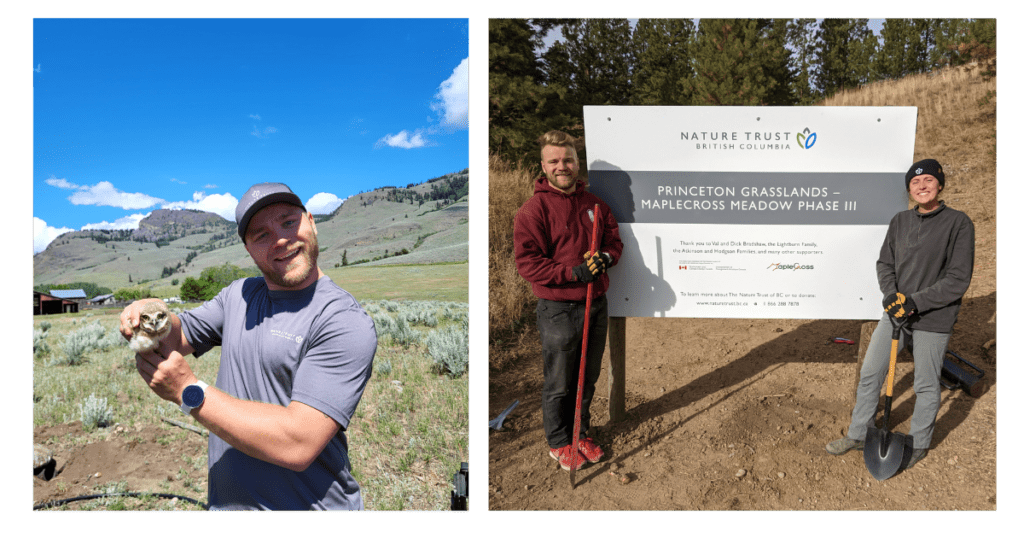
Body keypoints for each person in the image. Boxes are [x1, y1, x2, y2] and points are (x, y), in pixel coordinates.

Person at [120, 183, 377, 511]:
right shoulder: (238, 296)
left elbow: (299, 442)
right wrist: (147, 313)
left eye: (288, 222)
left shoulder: (342, 320)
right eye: (261, 235)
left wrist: (189, 391)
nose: (280, 239)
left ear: (311, 221)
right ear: (248, 248)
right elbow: (177, 336)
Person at [826, 158, 974, 471]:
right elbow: (885, 264)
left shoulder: (958, 223)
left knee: (925, 384)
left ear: (939, 184)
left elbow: (958, 280)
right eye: (915, 183)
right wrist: (892, 296)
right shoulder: (900, 221)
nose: (922, 186)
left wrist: (915, 302)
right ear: (909, 189)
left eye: (928, 181)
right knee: (870, 374)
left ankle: (919, 443)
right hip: (896, 314)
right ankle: (857, 434)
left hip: (933, 318)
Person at [513, 130, 623, 471]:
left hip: (595, 304)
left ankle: (581, 433)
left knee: (587, 376)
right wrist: (574, 273)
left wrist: (605, 258)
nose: (563, 166)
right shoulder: (533, 211)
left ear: (577, 162)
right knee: (560, 381)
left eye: (568, 159)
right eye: (554, 161)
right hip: (559, 309)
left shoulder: (595, 206)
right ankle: (559, 441)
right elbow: (528, 264)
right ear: (544, 166)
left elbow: (614, 242)